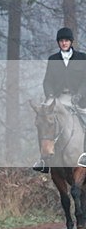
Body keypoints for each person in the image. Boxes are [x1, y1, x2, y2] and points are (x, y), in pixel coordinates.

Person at [34, 26, 86, 171]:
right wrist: (50, 95)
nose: (64, 43)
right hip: (58, 97)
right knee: (43, 120)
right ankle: (43, 160)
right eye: (61, 41)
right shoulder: (53, 59)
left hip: (79, 99)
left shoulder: (82, 58)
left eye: (66, 40)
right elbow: (47, 81)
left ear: (71, 42)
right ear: (58, 42)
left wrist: (80, 94)